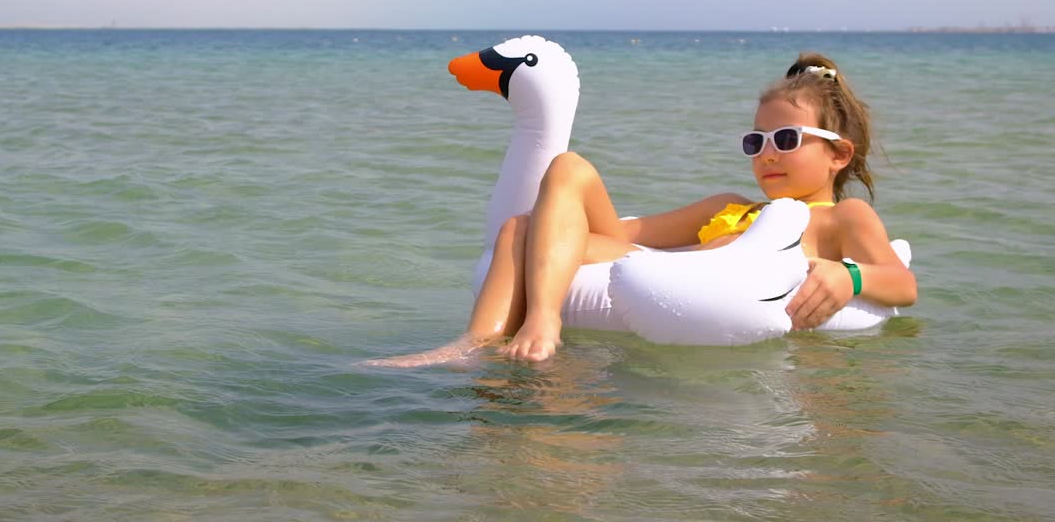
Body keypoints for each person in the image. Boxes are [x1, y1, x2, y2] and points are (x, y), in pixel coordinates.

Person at [369, 52, 918, 367]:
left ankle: (539, 327)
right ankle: (480, 342)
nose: (767, 154)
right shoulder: (730, 205)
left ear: (838, 154)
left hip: (691, 282)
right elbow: (633, 233)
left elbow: (900, 283)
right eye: (755, 142)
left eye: (785, 138)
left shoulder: (841, 219)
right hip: (662, 262)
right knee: (541, 203)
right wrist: (560, 222)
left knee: (533, 220)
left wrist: (849, 277)